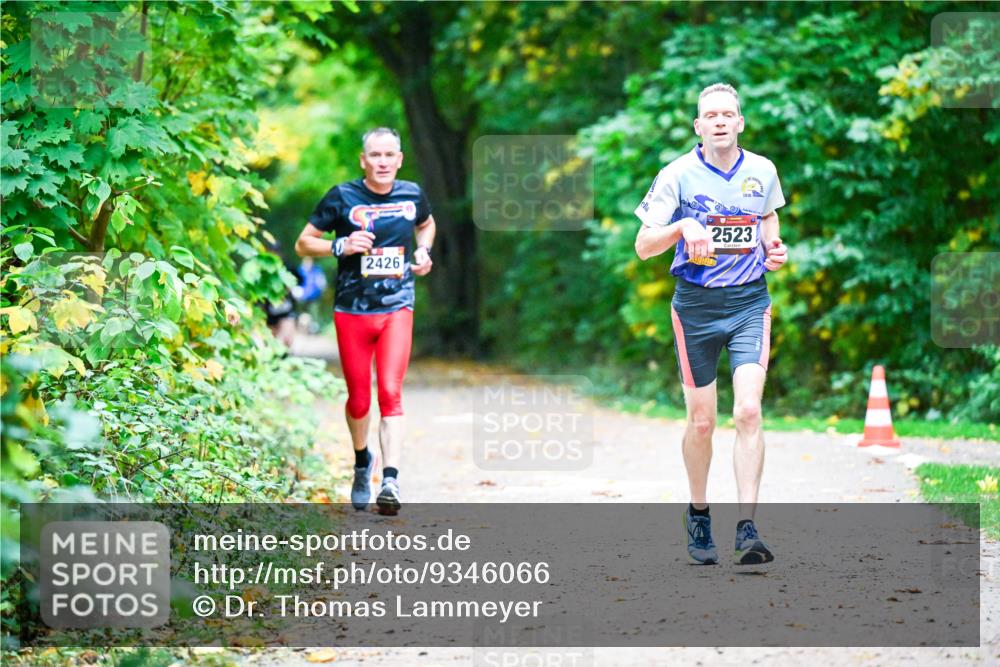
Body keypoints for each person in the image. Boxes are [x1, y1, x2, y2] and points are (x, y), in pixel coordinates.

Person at [633, 83, 788, 565]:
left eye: (728, 114)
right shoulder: (677, 175)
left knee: (747, 412)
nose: (720, 121)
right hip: (695, 308)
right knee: (702, 422)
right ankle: (699, 514)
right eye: (710, 115)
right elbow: (643, 245)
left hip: (748, 304)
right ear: (698, 126)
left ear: (740, 122)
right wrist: (683, 227)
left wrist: (775, 249)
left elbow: (768, 224)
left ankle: (747, 528)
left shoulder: (762, 171)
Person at [295, 127, 436, 516]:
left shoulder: (412, 194)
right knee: (359, 398)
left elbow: (426, 224)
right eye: (375, 155)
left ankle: (390, 480)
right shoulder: (342, 197)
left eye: (390, 155)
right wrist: (340, 245)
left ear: (400, 159)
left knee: (390, 391)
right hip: (352, 310)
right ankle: (362, 463)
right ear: (364, 160)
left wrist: (423, 253)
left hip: (397, 306)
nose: (383, 162)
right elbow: (303, 242)